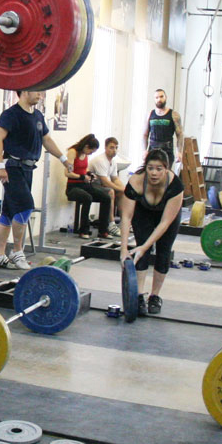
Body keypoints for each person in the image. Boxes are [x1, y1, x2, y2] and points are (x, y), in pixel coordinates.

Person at [0, 89, 69, 269]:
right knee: (26, 206)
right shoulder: (11, 115)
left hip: (28, 168)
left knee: (9, 212)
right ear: (25, 91)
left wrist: (63, 159)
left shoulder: (38, 115)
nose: (41, 95)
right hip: (12, 167)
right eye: (38, 92)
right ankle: (17, 251)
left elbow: (46, 140)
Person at [119, 149, 184, 316]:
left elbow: (164, 223)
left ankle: (155, 296)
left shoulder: (175, 186)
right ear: (145, 167)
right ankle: (139, 295)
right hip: (144, 212)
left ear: (166, 169)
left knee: (164, 253)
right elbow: (126, 217)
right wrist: (124, 249)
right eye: (150, 168)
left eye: (159, 169)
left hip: (166, 217)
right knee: (141, 250)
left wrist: (146, 246)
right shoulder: (135, 182)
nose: (154, 173)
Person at [65, 133, 111, 239]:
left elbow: (83, 169)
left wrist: (89, 173)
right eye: (91, 151)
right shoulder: (73, 152)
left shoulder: (85, 154)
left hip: (84, 185)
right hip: (73, 187)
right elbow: (67, 173)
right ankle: (83, 230)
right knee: (87, 198)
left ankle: (103, 230)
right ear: (86, 146)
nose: (90, 154)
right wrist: (82, 177)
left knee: (106, 198)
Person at [89, 136, 126, 236]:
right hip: (90, 185)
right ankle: (111, 224)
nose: (114, 150)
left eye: (116, 148)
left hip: (100, 185)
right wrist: (121, 188)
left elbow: (115, 178)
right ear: (105, 148)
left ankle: (125, 222)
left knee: (121, 193)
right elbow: (105, 182)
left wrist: (124, 189)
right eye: (111, 147)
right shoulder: (101, 160)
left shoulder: (113, 161)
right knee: (111, 192)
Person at [143, 88, 183, 168]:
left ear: (166, 97)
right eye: (157, 97)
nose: (159, 99)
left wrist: (179, 152)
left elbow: (180, 135)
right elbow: (145, 134)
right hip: (152, 150)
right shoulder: (149, 115)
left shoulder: (174, 115)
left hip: (167, 151)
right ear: (154, 99)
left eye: (161, 97)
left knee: (165, 175)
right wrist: (144, 150)